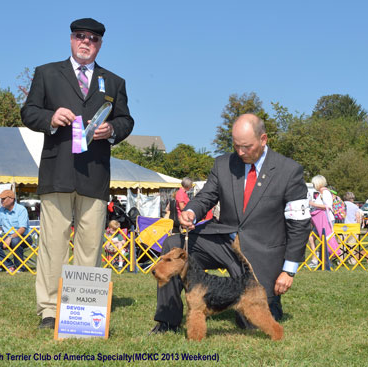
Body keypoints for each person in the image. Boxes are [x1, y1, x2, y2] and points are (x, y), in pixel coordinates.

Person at [150, 113, 311, 334]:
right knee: (173, 243)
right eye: (236, 146)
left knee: (250, 322)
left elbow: (299, 224)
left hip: (261, 250)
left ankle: (272, 303)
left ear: (263, 139)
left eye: (246, 146)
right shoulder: (223, 164)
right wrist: (191, 211)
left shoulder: (289, 171)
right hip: (222, 241)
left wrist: (289, 270)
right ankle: (167, 322)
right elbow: (206, 196)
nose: (240, 152)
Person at [21, 18, 134, 329]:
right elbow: (29, 111)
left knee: (91, 244)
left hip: (95, 174)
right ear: (71, 39)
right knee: (53, 244)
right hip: (57, 170)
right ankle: (50, 309)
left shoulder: (114, 82)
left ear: (100, 44)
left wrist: (113, 129)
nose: (86, 42)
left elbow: (127, 120)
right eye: (80, 36)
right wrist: (51, 117)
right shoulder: (46, 73)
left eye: (93, 39)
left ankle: (84, 307)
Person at [0, 190, 32, 272]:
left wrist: (10, 237)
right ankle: (9, 265)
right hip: (7, 237)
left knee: (15, 241)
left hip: (24, 237)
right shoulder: (1, 210)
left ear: (11, 199)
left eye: (3, 199)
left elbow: (22, 229)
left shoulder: (21, 209)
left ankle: (20, 267)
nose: (1, 201)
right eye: (1, 199)